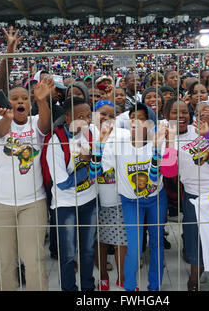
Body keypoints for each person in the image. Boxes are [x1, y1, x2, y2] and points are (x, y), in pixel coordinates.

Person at [161, 98, 209, 291]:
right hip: (193, 198)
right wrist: (170, 141)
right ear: (166, 116)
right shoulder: (164, 139)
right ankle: (194, 279)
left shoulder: (202, 128)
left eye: (184, 112)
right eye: (174, 112)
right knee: (194, 241)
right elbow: (169, 172)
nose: (181, 116)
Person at [0, 78, 53, 291]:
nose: (20, 101)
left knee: (34, 259)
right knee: (4, 261)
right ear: (8, 102)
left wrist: (42, 101)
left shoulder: (35, 121)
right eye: (15, 98)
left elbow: (46, 125)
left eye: (25, 98)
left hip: (32, 202)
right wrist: (8, 118)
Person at [94, 102, 168, 291]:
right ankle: (129, 287)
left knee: (156, 244)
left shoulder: (156, 140)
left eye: (141, 118)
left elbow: (153, 177)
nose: (135, 122)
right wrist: (101, 143)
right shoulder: (118, 141)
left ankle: (154, 287)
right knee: (134, 248)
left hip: (155, 199)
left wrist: (157, 149)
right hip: (130, 202)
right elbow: (95, 171)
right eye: (132, 118)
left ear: (149, 123)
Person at [45, 97, 98, 291]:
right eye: (79, 117)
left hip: (89, 201)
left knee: (88, 250)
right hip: (64, 205)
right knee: (67, 254)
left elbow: (102, 164)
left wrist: (93, 161)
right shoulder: (56, 141)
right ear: (67, 118)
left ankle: (88, 288)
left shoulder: (92, 133)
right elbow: (62, 183)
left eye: (88, 116)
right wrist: (89, 163)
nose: (85, 121)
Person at [89, 100, 130, 291]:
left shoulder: (125, 135)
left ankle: (123, 277)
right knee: (100, 239)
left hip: (120, 197)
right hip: (95, 197)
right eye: (101, 114)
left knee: (123, 240)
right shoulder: (86, 134)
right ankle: (103, 276)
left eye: (111, 115)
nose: (106, 118)